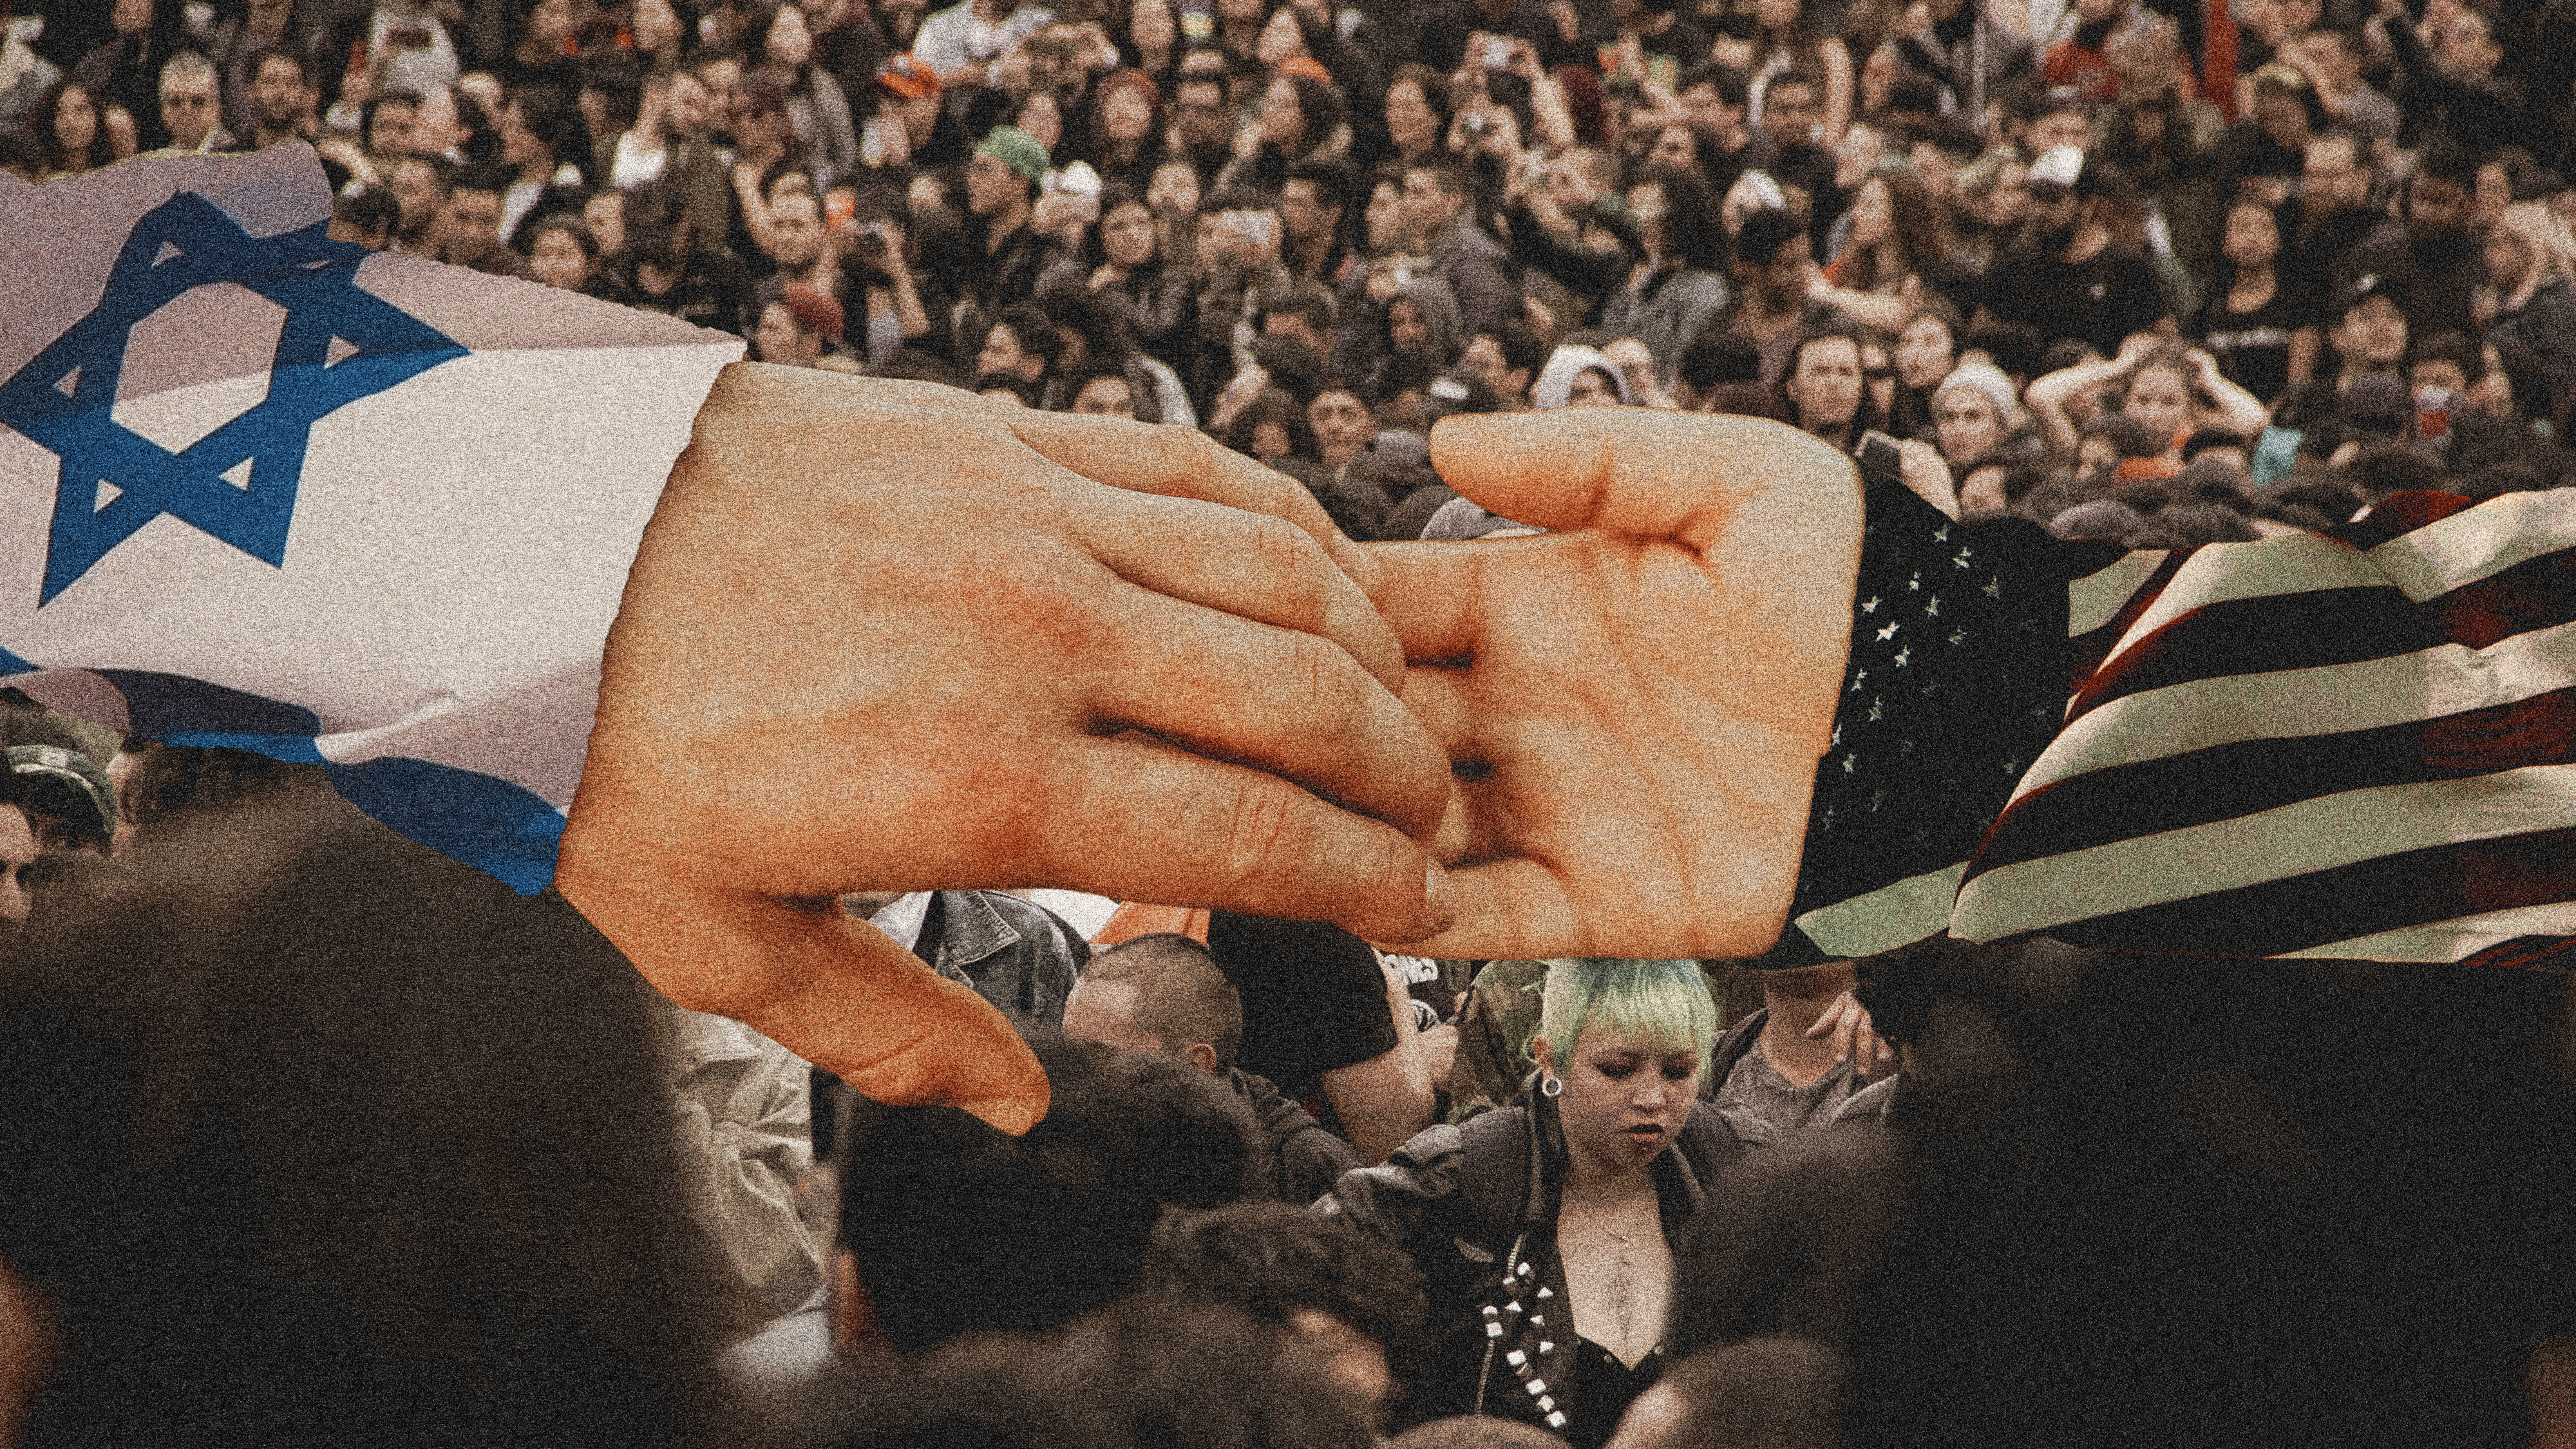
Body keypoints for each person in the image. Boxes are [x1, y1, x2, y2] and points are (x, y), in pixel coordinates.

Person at [1318, 958, 1756, 1448]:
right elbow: (1296, 1266)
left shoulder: (1730, 1166)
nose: (1652, 1098)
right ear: (1549, 1060)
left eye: (1678, 1072)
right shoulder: (1467, 1173)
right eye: (1617, 1070)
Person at [1063, 932, 1363, 1204]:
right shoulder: (1073, 1141)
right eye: (1067, 1050)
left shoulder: (1308, 1170)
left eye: (1100, 1059)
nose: (1072, 1077)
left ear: (1195, 1066)